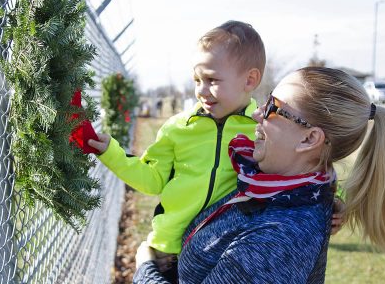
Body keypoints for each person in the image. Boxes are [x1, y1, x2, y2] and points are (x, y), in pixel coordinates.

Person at [132, 67, 385, 283]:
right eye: (266, 100)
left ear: (309, 138)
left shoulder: (281, 235)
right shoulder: (269, 184)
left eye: (274, 107)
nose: (258, 112)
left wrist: (145, 269)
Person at [89, 20, 266, 282]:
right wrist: (110, 152)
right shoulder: (178, 128)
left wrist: (334, 197)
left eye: (212, 80)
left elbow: (302, 164)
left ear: (250, 79)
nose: (201, 91)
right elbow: (152, 179)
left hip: (223, 251)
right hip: (169, 252)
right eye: (197, 79)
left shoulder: (263, 129)